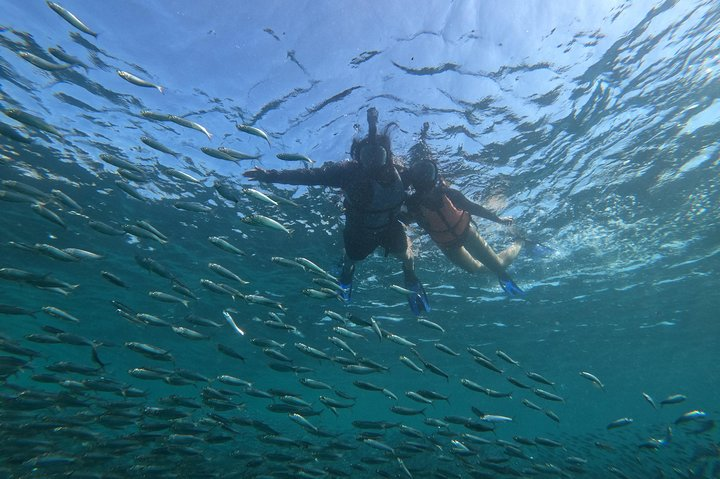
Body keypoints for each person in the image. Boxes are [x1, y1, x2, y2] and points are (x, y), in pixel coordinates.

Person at [243, 108, 430, 314]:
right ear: (358, 158)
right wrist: (270, 175)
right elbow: (310, 176)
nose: (373, 163)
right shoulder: (347, 172)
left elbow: (426, 180)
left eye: (378, 156)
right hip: (358, 230)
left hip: (389, 226)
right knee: (351, 260)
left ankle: (411, 279)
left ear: (388, 157)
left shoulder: (401, 173)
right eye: (367, 157)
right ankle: (346, 275)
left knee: (407, 257)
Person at [404, 124, 523, 295]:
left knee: (499, 265)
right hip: (448, 245)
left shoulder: (448, 193)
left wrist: (499, 220)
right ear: (414, 181)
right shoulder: (412, 203)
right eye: (419, 177)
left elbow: (474, 208)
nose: (425, 182)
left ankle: (520, 242)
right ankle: (498, 271)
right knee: (475, 269)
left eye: (428, 174)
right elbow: (402, 221)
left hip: (467, 233)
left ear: (434, 176)